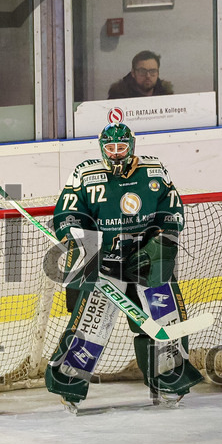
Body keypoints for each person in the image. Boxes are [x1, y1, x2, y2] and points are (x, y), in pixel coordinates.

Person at [44, 121, 203, 412]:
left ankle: (168, 382)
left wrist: (161, 238)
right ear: (101, 149)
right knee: (90, 327)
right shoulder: (85, 174)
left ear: (131, 147)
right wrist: (76, 238)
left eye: (121, 148)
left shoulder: (154, 171)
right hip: (101, 263)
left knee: (164, 320)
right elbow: (67, 213)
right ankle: (69, 385)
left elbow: (172, 209)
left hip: (146, 260)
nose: (116, 154)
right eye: (110, 149)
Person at [107, 50, 174, 98]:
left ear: (158, 73)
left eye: (152, 71)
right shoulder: (118, 96)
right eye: (142, 71)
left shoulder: (166, 95)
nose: (148, 76)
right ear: (133, 73)